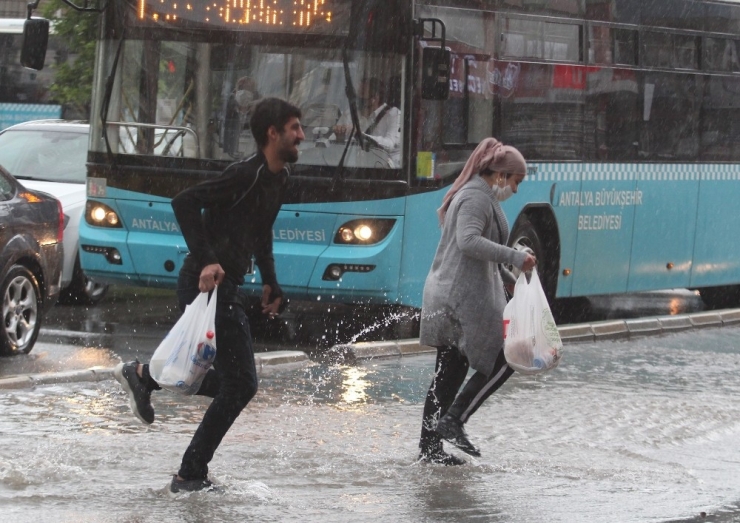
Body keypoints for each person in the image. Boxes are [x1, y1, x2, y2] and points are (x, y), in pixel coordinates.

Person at [114, 97, 305, 493]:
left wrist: (271, 280)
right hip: (205, 286)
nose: (302, 135)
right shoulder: (244, 174)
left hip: (228, 287)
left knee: (227, 382)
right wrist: (206, 260)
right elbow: (184, 203)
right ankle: (189, 473)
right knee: (242, 384)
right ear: (273, 134)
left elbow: (260, 231)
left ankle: (144, 375)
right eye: (294, 128)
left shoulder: (280, 178)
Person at [417, 137, 537, 465]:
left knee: (447, 376)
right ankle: (454, 420)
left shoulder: (481, 196)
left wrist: (515, 284)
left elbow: (489, 263)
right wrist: (516, 256)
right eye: (516, 181)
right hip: (457, 299)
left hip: (455, 295)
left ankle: (430, 449)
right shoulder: (475, 198)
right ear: (501, 174)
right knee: (510, 355)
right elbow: (468, 242)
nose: (515, 189)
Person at [332, 77, 400, 152]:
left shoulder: (393, 114)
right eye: (357, 95)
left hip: (380, 162)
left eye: (362, 95)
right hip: (350, 162)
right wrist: (339, 138)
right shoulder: (349, 113)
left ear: (374, 98)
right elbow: (331, 143)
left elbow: (390, 144)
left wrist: (360, 135)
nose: (357, 99)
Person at [222, 76, 261, 156]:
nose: (243, 91)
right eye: (241, 88)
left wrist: (257, 110)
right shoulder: (227, 112)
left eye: (248, 88)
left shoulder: (260, 113)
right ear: (235, 91)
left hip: (253, 158)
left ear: (254, 93)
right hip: (228, 158)